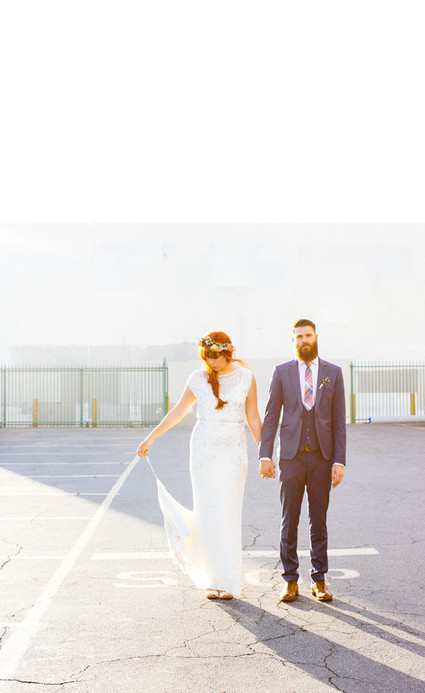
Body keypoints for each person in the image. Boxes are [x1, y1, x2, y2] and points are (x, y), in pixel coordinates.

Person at [137, 331, 262, 600]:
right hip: (203, 452)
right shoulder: (197, 378)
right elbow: (178, 412)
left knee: (228, 513)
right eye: (206, 357)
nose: (210, 361)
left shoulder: (246, 377)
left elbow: (253, 417)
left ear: (226, 352)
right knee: (208, 512)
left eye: (214, 356)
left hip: (233, 452)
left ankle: (227, 580)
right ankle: (212, 579)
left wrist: (265, 454)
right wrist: (151, 437)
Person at [259, 319, 346, 602]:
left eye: (307, 335)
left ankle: (319, 579)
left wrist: (339, 461)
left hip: (322, 458)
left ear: (316, 337)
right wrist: (265, 454)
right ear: (293, 340)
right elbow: (271, 415)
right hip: (291, 458)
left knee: (318, 521)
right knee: (289, 520)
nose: (303, 340)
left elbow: (338, 421)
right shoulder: (281, 372)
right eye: (298, 337)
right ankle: (290, 580)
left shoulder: (333, 373)